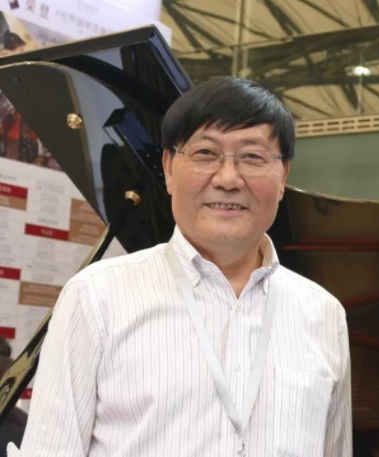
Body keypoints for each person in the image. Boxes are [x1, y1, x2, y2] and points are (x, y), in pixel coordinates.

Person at [10, 76, 352, 456]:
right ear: (169, 168)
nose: (228, 179)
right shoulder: (95, 298)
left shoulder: (324, 314)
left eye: (253, 157)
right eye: (205, 153)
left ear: (283, 174)